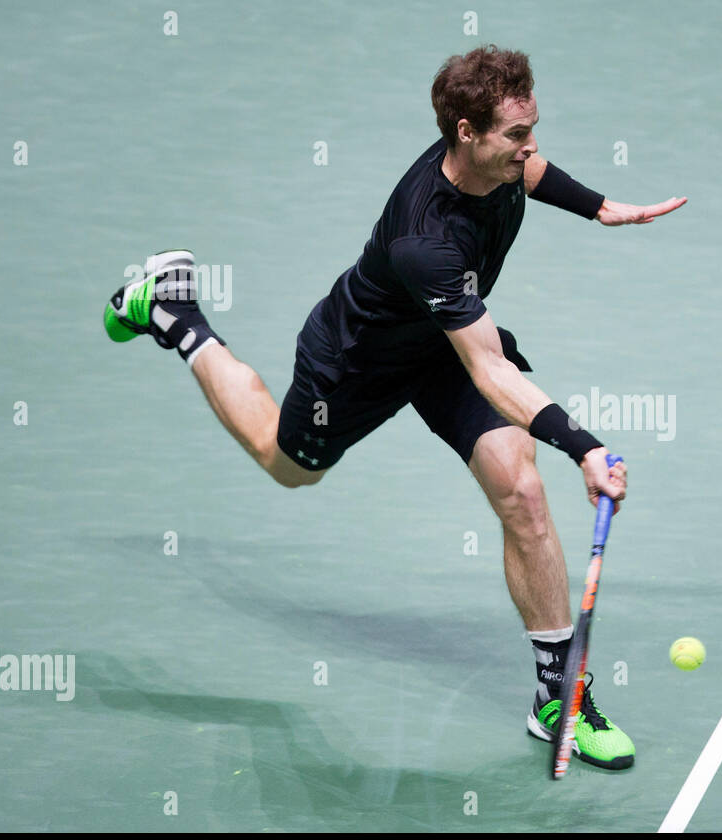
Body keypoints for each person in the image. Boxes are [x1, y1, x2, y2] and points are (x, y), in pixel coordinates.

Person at [100, 44, 686, 771]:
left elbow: (529, 173)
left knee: (523, 493)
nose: (531, 148)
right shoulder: (425, 241)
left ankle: (557, 697)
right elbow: (491, 370)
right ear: (466, 134)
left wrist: (598, 207)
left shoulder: (496, 161)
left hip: (444, 341)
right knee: (284, 464)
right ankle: (177, 313)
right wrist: (587, 446)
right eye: (515, 135)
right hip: (358, 361)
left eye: (533, 128)